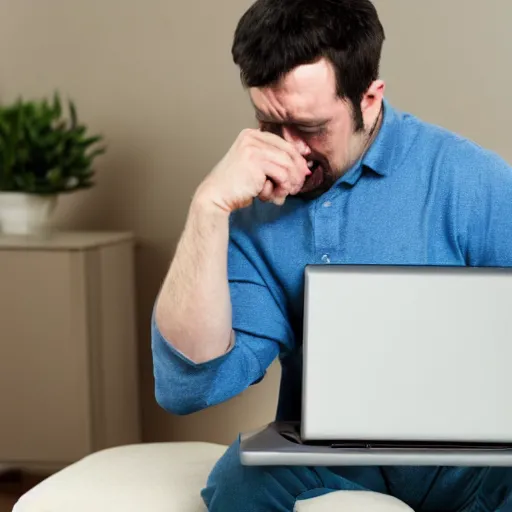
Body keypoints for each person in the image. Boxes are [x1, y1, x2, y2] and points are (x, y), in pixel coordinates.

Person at [151, 0, 512, 510]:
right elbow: (190, 384)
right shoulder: (254, 210)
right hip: (332, 450)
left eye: (312, 127)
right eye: (268, 122)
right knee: (239, 481)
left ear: (370, 98)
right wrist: (209, 208)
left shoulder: (470, 180)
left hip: (475, 458)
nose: (289, 149)